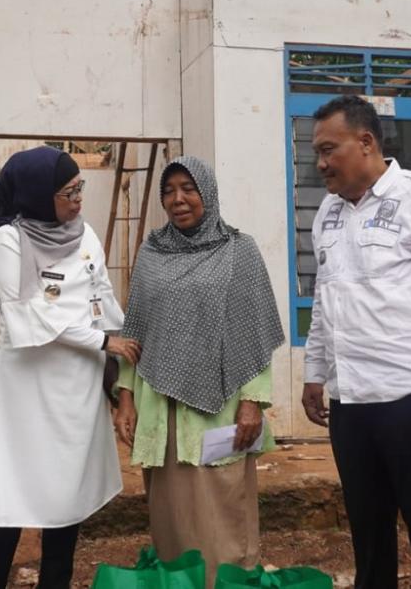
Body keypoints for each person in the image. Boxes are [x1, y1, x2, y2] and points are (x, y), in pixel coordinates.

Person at [300, 95, 411, 588]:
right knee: (368, 531)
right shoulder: (328, 214)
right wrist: (315, 372)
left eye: (328, 150)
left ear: (366, 142)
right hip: (351, 403)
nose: (321, 163)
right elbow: (324, 299)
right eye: (317, 153)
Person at [0, 146, 142, 589]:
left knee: (67, 494)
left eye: (79, 188)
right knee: (13, 492)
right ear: (36, 195)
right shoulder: (8, 239)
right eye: (68, 192)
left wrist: (123, 348)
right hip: (28, 385)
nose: (78, 199)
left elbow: (102, 297)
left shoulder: (84, 234)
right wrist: (102, 341)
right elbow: (27, 312)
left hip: (77, 383)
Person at [113, 155, 284, 586]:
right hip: (162, 408)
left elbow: (252, 331)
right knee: (171, 512)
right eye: (169, 191)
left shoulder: (238, 251)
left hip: (220, 405)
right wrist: (125, 398)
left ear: (207, 192)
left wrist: (253, 402)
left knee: (223, 505)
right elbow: (136, 331)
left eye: (188, 189)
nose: (178, 199)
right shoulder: (152, 251)